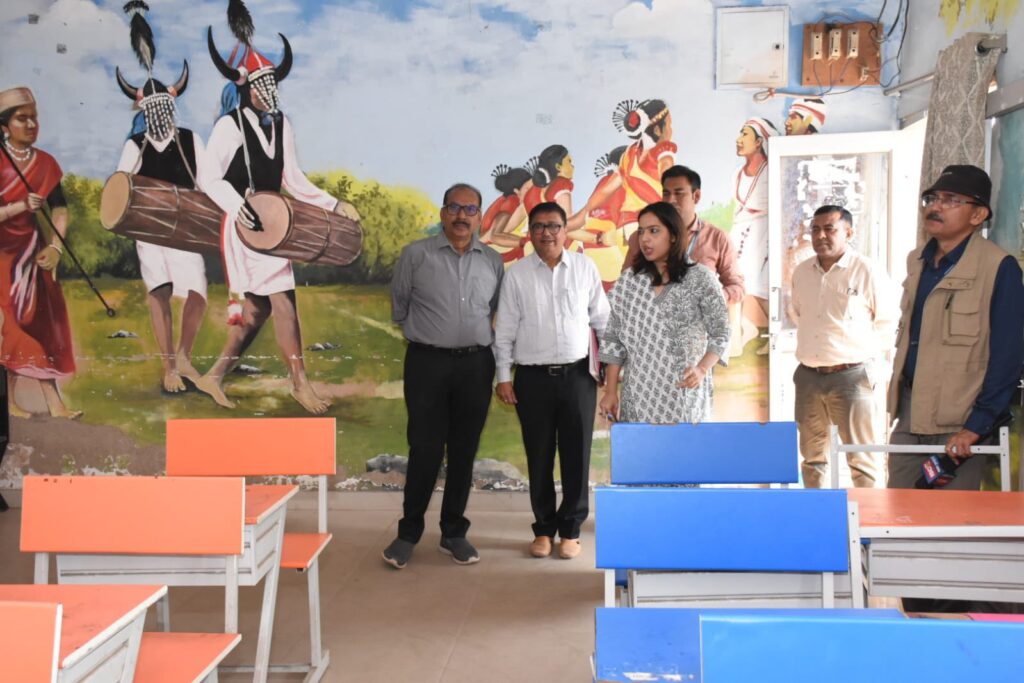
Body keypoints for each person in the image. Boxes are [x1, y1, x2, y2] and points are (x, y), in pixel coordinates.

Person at [200, 3, 360, 414]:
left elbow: (293, 179)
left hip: (275, 224)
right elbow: (209, 178)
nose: (267, 91)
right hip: (245, 226)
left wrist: (335, 204)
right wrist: (237, 206)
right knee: (284, 300)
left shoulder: (281, 123)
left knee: (256, 311)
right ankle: (300, 384)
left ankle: (213, 375)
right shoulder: (229, 125)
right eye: (260, 84)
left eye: (271, 83)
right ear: (246, 88)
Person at [382, 183, 504, 569]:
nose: (461, 216)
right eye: (454, 207)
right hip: (427, 363)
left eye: (470, 209)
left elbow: (495, 310)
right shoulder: (415, 255)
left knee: (464, 450)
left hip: (476, 365)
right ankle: (407, 534)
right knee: (425, 448)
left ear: (479, 216)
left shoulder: (493, 261)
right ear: (442, 213)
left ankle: (453, 533)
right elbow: (400, 306)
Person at [888, 165, 1024, 492]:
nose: (936, 206)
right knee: (899, 509)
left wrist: (976, 426)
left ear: (978, 215)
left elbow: (1008, 356)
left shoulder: (999, 267)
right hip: (911, 413)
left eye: (950, 199)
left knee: (950, 518)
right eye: (932, 198)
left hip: (961, 424)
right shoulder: (917, 260)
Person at [493, 201, 609, 560]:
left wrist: (609, 370)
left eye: (554, 225)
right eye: (539, 226)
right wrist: (503, 376)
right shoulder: (517, 275)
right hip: (533, 379)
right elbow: (505, 330)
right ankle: (543, 529)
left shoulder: (584, 268)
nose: (547, 233)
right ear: (530, 232)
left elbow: (602, 320)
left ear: (565, 230)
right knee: (539, 455)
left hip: (578, 377)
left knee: (577, 455)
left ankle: (570, 531)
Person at [114, 1, 208, 394]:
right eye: (153, 109)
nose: (160, 115)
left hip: (184, 227)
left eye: (165, 108)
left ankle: (184, 356)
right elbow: (121, 186)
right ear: (143, 109)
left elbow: (207, 183)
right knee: (160, 293)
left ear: (172, 107)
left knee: (197, 293)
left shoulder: (190, 140)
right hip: (150, 232)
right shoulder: (134, 144)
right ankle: (169, 367)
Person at [788, 205, 898, 488]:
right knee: (812, 458)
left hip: (853, 377)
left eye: (829, 229)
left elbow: (887, 322)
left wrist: (865, 360)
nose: (820, 236)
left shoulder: (866, 270)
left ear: (849, 233)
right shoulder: (802, 271)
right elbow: (798, 314)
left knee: (862, 460)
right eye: (815, 229)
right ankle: (817, 512)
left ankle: (868, 516)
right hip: (809, 377)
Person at [599, 202, 729, 424]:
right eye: (641, 231)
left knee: (686, 447)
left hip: (685, 398)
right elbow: (614, 339)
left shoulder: (701, 279)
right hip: (638, 400)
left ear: (674, 235)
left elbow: (721, 333)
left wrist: (701, 369)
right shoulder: (629, 282)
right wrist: (610, 391)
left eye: (654, 231)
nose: (645, 239)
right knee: (642, 448)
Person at [0, 86, 79, 419]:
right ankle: (9, 403)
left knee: (41, 322)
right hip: (2, 255)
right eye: (22, 118)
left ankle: (54, 404)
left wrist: (56, 246)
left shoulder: (46, 163)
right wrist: (19, 206)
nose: (31, 125)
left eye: (34, 118)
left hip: (33, 251)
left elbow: (60, 209)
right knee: (12, 324)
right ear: (4, 125)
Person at [622, 165, 745, 306]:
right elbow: (625, 282)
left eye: (679, 193)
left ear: (696, 196)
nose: (670, 200)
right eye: (666, 194)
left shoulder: (717, 238)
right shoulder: (641, 237)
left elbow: (737, 287)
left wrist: (711, 299)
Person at [730, 117, 778, 356]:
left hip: (761, 232)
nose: (738, 140)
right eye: (740, 134)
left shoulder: (771, 170)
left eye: (745, 135)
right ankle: (743, 331)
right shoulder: (738, 174)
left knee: (754, 285)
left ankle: (771, 334)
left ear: (759, 142)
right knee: (735, 282)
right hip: (740, 230)